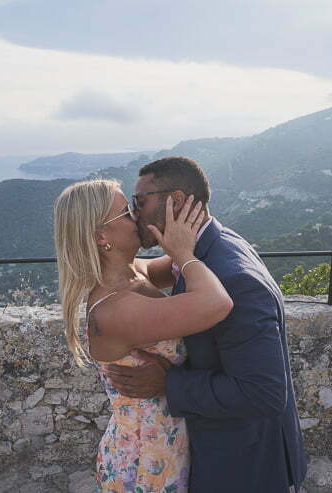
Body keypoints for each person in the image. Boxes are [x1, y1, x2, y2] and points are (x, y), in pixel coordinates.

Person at [104, 157, 307, 493]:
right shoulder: (208, 247)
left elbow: (264, 392)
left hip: (243, 465)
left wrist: (169, 383)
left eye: (140, 202)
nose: (136, 213)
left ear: (177, 201)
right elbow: (137, 269)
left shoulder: (233, 277)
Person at [53, 179, 233, 492]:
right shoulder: (115, 310)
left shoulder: (135, 272)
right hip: (143, 463)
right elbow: (216, 303)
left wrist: (180, 226)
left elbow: (180, 263)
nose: (137, 216)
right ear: (101, 236)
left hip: (161, 445)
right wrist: (183, 252)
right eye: (126, 213)